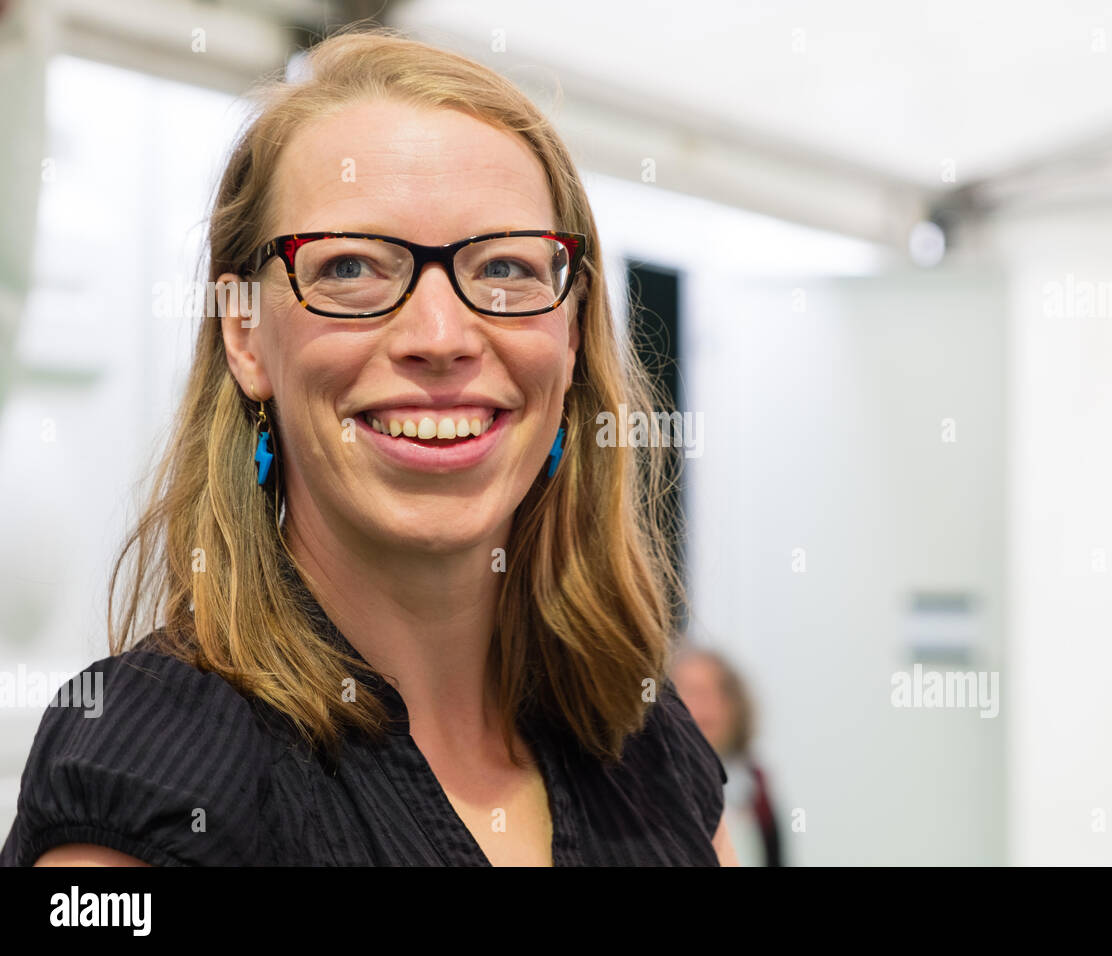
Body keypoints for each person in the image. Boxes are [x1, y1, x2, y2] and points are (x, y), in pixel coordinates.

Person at [0, 27, 736, 867]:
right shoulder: (149, 770)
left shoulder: (645, 747)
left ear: (570, 336)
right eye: (351, 268)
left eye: (506, 268)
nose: (440, 335)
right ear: (245, 334)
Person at [673, 648, 783, 867]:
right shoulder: (651, 785)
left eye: (719, 692)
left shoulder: (754, 785)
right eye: (694, 692)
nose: (707, 705)